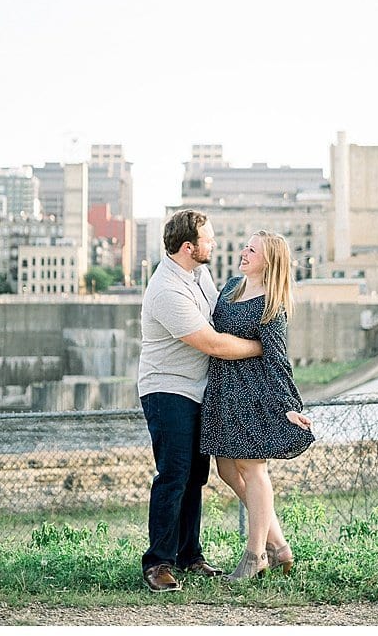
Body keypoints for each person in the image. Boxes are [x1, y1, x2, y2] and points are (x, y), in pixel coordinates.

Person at [137, 209, 278, 593]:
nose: (214, 244)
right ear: (189, 247)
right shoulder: (167, 289)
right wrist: (261, 347)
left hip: (199, 388)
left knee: (196, 477)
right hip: (168, 389)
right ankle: (159, 563)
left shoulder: (199, 274)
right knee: (174, 473)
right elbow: (212, 341)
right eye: (209, 239)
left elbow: (222, 316)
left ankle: (189, 556)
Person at [200, 230, 315, 581]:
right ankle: (279, 546)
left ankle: (255, 556)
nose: (244, 251)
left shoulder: (271, 306)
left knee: (253, 471)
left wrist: (290, 405)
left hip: (252, 395)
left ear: (270, 261)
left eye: (253, 249)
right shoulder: (233, 285)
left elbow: (278, 359)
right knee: (226, 471)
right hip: (222, 391)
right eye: (246, 245)